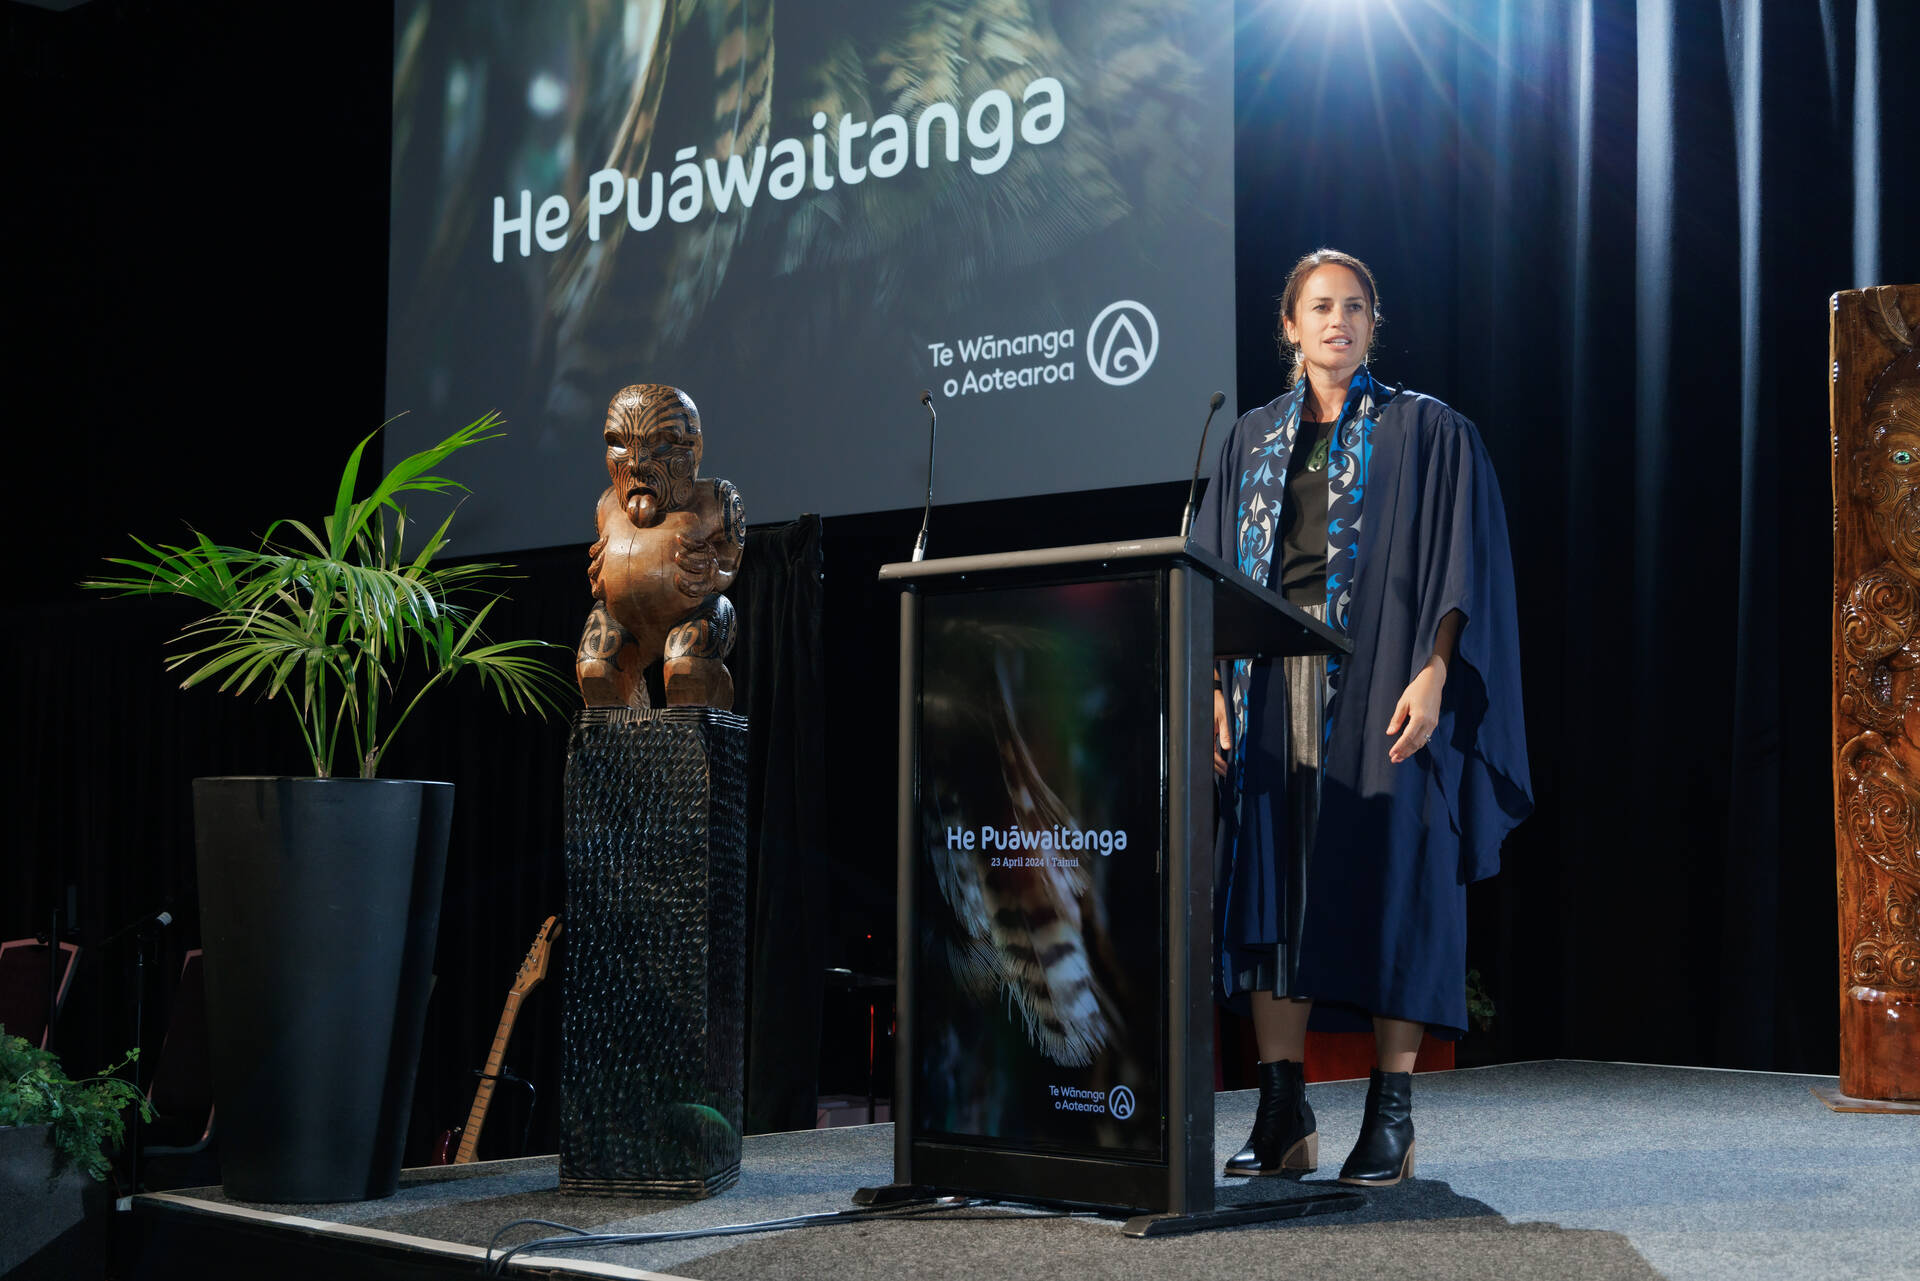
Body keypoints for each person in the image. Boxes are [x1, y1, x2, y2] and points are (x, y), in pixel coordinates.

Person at [1190, 249, 1531, 1186]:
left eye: (1354, 306)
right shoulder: (1250, 439)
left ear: (1373, 325)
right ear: (1290, 327)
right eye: (1319, 306)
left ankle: (1391, 1115)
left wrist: (1435, 672)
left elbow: (1461, 563)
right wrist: (1214, 689)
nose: (1337, 320)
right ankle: (1282, 1111)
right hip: (1267, 689)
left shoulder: (1427, 430)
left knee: (1394, 887)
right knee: (1271, 897)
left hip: (1383, 683)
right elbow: (1210, 572)